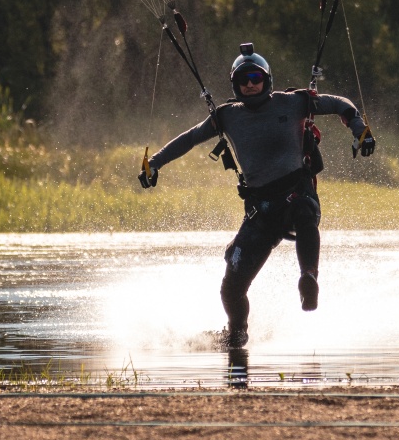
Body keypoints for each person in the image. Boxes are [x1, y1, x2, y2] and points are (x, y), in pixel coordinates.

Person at [139, 43, 374, 347]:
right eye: (243, 80)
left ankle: (309, 278)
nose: (250, 84)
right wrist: (154, 163)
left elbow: (341, 104)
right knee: (230, 288)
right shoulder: (227, 116)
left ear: (267, 79)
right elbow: (189, 138)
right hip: (261, 211)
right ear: (235, 85)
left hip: (297, 193)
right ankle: (236, 334)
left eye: (255, 78)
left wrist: (360, 130)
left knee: (304, 214)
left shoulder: (294, 102)